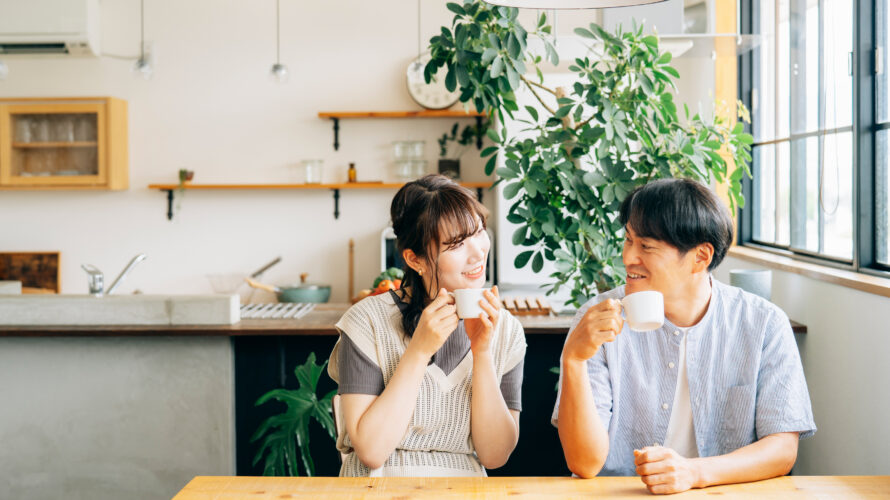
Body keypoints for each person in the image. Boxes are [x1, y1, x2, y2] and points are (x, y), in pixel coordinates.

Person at [552, 178, 815, 494]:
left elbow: (782, 449)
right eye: (628, 240)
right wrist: (574, 360)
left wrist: (694, 473)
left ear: (700, 257)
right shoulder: (597, 319)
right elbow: (584, 463)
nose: (628, 257)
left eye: (646, 246)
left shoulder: (763, 324)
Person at [328, 174, 526, 477]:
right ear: (415, 259)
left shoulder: (506, 330)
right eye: (457, 243)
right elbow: (371, 451)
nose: (477, 252)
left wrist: (482, 352)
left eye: (479, 232)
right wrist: (419, 351)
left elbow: (495, 455)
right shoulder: (368, 321)